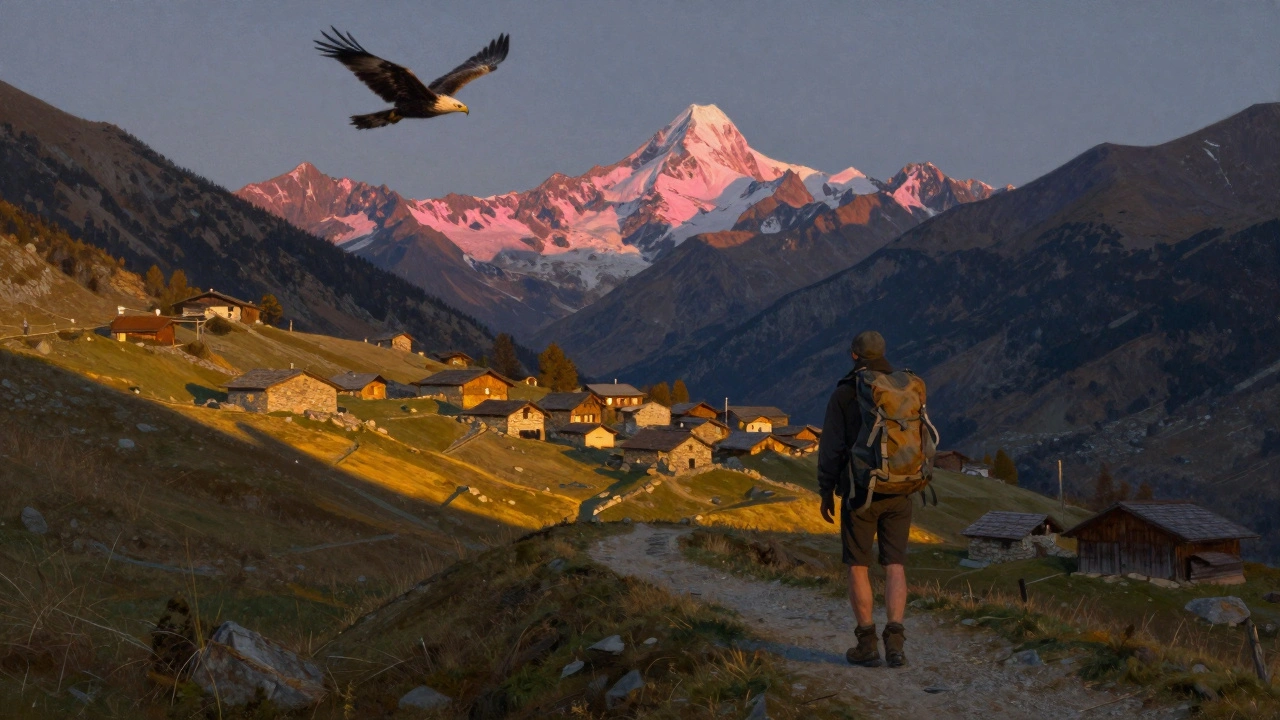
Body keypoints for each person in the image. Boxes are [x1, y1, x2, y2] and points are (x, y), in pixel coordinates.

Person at [817, 330, 912, 668]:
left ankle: (867, 644)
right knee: (895, 564)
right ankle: (896, 643)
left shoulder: (845, 393)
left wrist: (826, 490)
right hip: (900, 487)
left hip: (860, 492)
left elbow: (831, 448)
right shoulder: (904, 387)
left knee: (858, 565)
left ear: (854, 355)